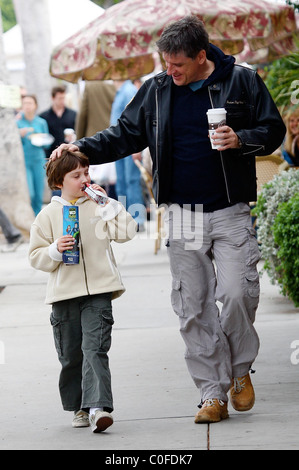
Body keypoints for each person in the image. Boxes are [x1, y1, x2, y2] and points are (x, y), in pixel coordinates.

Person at [50, 16, 286, 424]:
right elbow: (124, 134)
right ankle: (211, 393)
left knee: (237, 296)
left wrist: (241, 139)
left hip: (230, 210)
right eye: (166, 63)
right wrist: (81, 147)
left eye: (178, 65)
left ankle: (240, 369)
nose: (170, 71)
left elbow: (274, 128)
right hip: (183, 213)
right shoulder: (157, 90)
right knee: (193, 306)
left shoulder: (242, 81)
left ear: (200, 56)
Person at [28, 150, 137, 432]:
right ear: (58, 181)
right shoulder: (46, 216)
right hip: (63, 296)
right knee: (71, 355)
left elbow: (128, 232)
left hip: (100, 292)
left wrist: (110, 204)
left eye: (86, 173)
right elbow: (36, 257)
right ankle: (79, 406)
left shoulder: (99, 207)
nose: (84, 179)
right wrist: (54, 250)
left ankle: (99, 407)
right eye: (76, 175)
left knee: (95, 349)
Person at [110, 80, 146, 230]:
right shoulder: (120, 91)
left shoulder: (129, 90)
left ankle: (138, 219)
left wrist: (137, 147)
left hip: (129, 145)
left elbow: (137, 118)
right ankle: (126, 220)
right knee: (122, 183)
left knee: (131, 181)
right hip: (119, 146)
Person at [75, 80, 117, 198]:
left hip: (93, 138)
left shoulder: (90, 86)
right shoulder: (116, 85)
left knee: (95, 182)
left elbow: (83, 114)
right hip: (114, 138)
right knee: (113, 181)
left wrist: (78, 141)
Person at [16, 94, 50, 215]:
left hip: (39, 160)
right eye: (25, 103)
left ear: (35, 105)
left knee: (39, 194)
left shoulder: (41, 122)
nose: (27, 106)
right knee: (30, 193)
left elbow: (47, 144)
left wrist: (40, 138)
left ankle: (37, 219)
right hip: (25, 161)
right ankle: (28, 217)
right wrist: (18, 135)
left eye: (30, 103)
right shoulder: (17, 122)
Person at [39, 85, 77, 160]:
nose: (62, 101)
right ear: (53, 98)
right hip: (50, 154)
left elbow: (78, 131)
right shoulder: (43, 116)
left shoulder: (73, 114)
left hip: (69, 153)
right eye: (60, 98)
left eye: (63, 98)